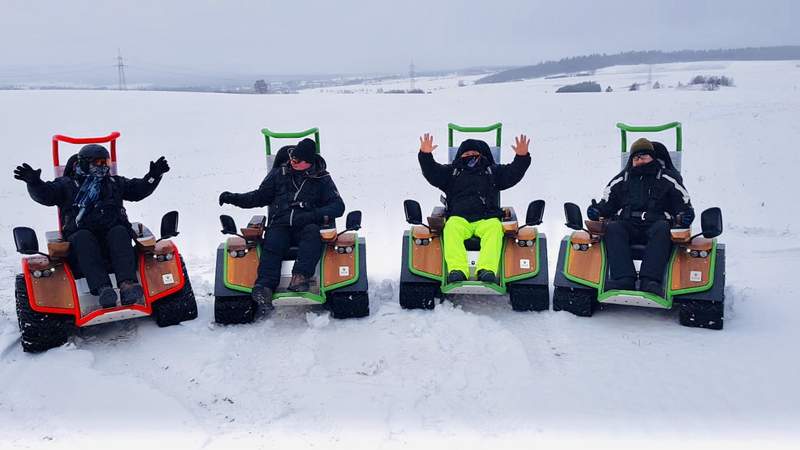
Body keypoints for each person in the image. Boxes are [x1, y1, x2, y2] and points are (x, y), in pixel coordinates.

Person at [14, 144, 170, 308]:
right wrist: (34, 183)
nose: (104, 167)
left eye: (106, 162)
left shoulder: (113, 182)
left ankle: (127, 285)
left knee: (120, 231)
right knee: (83, 237)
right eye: (99, 162)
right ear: (84, 164)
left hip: (113, 237)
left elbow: (138, 190)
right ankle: (103, 289)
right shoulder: (66, 185)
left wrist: (154, 175)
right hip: (81, 242)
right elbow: (46, 195)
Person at [218, 138, 345, 317]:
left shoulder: (322, 178)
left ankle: (300, 277)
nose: (292, 162)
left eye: (297, 161)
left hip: (307, 225)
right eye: (292, 158)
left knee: (312, 234)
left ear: (308, 162)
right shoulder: (279, 174)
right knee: (273, 241)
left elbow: (338, 206)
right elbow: (259, 197)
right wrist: (234, 198)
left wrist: (313, 214)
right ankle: (264, 287)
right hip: (281, 224)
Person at [417, 133, 531, 284]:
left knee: (495, 228)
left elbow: (512, 173)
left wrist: (521, 158)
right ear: (459, 156)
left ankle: (486, 269)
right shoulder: (452, 172)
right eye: (466, 153)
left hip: (486, 218)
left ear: (482, 155)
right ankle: (457, 270)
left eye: (474, 153)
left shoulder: (492, 171)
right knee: (451, 228)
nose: (470, 155)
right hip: (459, 218)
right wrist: (425, 155)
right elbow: (432, 172)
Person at [587, 137, 694, 295]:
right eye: (636, 157)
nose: (639, 159)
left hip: (657, 226)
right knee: (614, 228)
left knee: (662, 228)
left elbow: (683, 203)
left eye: (643, 156)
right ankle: (624, 278)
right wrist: (596, 210)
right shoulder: (621, 180)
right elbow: (607, 203)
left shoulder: (668, 179)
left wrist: (686, 215)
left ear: (652, 157)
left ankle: (650, 280)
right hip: (629, 225)